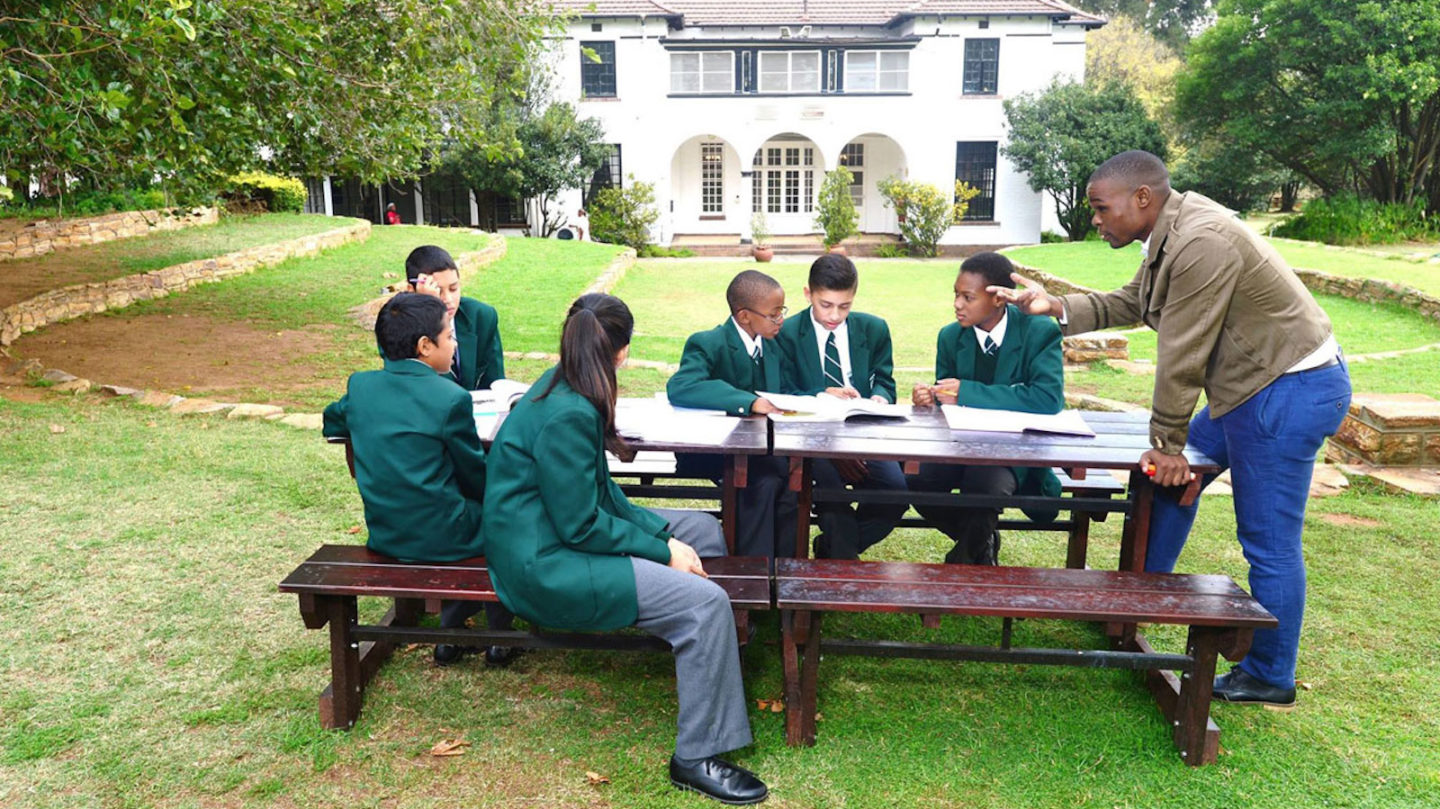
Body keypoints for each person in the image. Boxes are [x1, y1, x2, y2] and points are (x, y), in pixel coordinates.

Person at [996, 150, 1352, 707]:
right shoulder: (1171, 230)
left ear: (1142, 198)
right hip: (1254, 390)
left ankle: (1270, 674)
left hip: (1284, 391)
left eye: (1100, 207)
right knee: (1163, 487)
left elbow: (1182, 353)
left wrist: (1167, 444)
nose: (1095, 219)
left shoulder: (1200, 242)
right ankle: (1134, 604)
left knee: (1267, 539)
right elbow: (1136, 301)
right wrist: (1056, 305)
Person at [481, 294, 767, 804]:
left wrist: (665, 537)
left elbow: (602, 494)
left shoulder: (563, 383)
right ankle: (696, 756)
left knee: (701, 531)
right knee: (705, 604)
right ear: (622, 351)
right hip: (545, 565)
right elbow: (581, 525)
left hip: (551, 538)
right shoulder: (569, 409)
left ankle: (709, 661)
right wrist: (662, 552)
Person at [321, 292, 516, 667]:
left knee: (466, 513)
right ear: (426, 346)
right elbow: (474, 475)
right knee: (507, 520)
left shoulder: (361, 387)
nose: (454, 344)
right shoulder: (450, 397)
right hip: (444, 535)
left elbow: (333, 420)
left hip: (387, 532)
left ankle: (452, 632)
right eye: (449, 336)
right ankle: (499, 636)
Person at [909, 252, 1065, 565]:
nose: (957, 304)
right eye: (956, 294)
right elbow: (946, 402)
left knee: (984, 485)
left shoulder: (1038, 331)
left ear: (998, 298)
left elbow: (1047, 399)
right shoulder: (950, 337)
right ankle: (982, 542)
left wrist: (967, 392)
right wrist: (930, 398)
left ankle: (961, 564)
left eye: (968, 297)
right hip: (958, 449)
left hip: (1014, 454)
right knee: (915, 480)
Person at [775, 254, 907, 560]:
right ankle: (842, 563)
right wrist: (822, 395)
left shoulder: (874, 329)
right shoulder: (787, 333)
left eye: (844, 306)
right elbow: (781, 391)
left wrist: (878, 399)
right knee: (830, 491)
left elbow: (885, 382)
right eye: (826, 305)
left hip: (863, 433)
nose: (835, 315)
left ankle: (833, 550)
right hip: (810, 439)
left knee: (896, 492)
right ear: (808, 294)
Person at [666, 270, 800, 559]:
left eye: (782, 311)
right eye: (774, 314)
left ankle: (785, 569)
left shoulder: (773, 346)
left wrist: (823, 395)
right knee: (764, 483)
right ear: (744, 316)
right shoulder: (708, 342)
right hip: (715, 451)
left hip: (764, 450)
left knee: (792, 485)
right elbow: (681, 386)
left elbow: (789, 391)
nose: (781, 320)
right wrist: (748, 402)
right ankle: (751, 569)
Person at [405, 245, 506, 391]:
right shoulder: (398, 325)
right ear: (412, 291)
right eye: (437, 290)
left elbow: (495, 381)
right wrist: (428, 312)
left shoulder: (481, 317)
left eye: (453, 289)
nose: (448, 299)